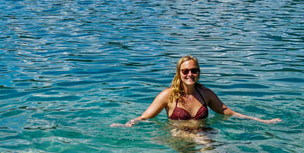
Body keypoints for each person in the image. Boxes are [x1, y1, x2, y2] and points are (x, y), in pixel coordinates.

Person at [119, 55, 280, 126]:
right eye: (185, 71)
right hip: (179, 136)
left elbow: (228, 112)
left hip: (204, 133)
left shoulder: (206, 94)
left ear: (199, 72)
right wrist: (129, 124)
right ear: (179, 73)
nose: (190, 74)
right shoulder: (167, 96)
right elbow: (144, 117)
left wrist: (261, 121)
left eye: (194, 70)